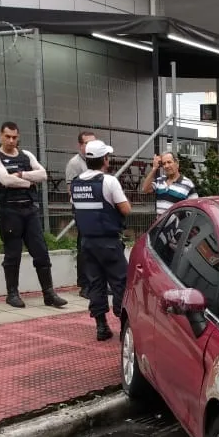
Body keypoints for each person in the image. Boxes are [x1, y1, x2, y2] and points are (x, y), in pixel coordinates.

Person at [0, 121, 67, 309]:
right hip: (10, 211)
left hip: (30, 211)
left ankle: (49, 293)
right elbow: (5, 180)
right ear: (1, 135)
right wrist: (30, 181)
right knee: (12, 255)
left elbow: (43, 175)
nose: (11, 140)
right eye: (7, 136)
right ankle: (12, 294)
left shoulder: (26, 155)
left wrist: (21, 175)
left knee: (41, 252)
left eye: (14, 137)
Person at [69, 139, 132, 342]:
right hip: (109, 242)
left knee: (95, 284)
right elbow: (125, 209)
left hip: (86, 242)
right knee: (121, 282)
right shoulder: (109, 181)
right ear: (104, 159)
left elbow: (76, 208)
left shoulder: (76, 182)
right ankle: (124, 326)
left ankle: (101, 327)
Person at [65, 130, 97, 298]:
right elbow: (70, 190)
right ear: (80, 145)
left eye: (93, 143)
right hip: (82, 210)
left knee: (96, 247)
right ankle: (84, 285)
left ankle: (96, 283)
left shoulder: (96, 162)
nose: (91, 146)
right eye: (87, 143)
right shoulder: (74, 163)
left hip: (96, 209)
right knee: (84, 246)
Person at [141, 151, 197, 216]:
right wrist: (154, 168)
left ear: (177, 164)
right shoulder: (160, 180)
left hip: (178, 225)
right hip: (161, 225)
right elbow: (145, 189)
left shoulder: (188, 184)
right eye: (164, 164)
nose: (166, 166)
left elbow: (195, 209)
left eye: (169, 162)